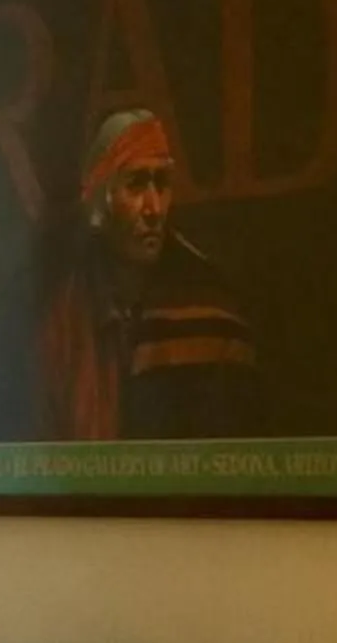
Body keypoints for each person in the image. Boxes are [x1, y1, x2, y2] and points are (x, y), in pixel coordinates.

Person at [35, 108, 254, 441]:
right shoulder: (63, 319)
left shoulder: (212, 312)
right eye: (135, 184)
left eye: (162, 183)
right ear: (100, 201)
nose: (153, 209)